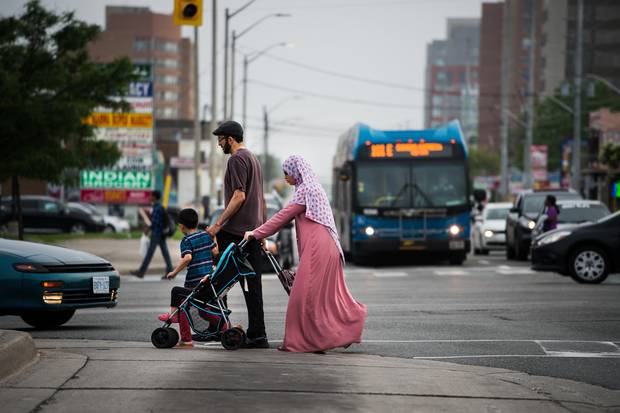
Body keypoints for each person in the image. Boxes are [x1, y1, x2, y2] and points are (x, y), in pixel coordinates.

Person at [244, 155, 367, 353]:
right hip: (326, 246)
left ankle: (301, 341)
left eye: (287, 173)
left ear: (296, 172)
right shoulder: (311, 188)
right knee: (319, 299)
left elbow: (282, 217)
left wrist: (255, 233)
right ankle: (319, 338)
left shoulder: (306, 190)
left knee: (301, 297)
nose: (285, 177)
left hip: (319, 249)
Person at [206, 120, 268, 349]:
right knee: (251, 286)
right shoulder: (253, 158)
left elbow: (240, 196)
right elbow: (260, 200)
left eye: (220, 140)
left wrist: (217, 225)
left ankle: (218, 327)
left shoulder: (236, 159)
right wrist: (262, 231)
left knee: (219, 282)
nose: (219, 144)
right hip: (251, 233)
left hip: (235, 234)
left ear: (229, 139)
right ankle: (257, 334)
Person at [157, 208, 220, 348]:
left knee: (177, 295)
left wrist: (174, 272)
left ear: (181, 226)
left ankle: (176, 320)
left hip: (194, 284)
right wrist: (214, 237)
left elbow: (188, 257)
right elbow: (215, 252)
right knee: (202, 309)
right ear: (197, 222)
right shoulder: (205, 236)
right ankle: (224, 325)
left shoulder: (186, 240)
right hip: (208, 283)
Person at [131, 190, 173, 278]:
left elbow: (155, 222)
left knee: (149, 254)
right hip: (161, 234)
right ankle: (170, 271)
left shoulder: (157, 208)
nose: (149, 197)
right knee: (165, 253)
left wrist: (148, 228)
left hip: (157, 234)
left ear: (154, 197)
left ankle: (141, 272)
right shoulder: (158, 207)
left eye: (151, 196)